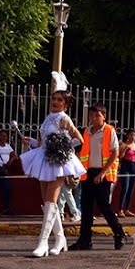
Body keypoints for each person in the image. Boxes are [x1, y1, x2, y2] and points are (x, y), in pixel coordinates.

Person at [20, 75, 87, 257]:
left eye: (59, 100)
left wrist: (62, 148)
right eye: (54, 99)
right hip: (44, 159)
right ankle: (60, 238)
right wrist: (32, 141)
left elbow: (79, 140)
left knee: (51, 201)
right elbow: (43, 143)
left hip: (58, 162)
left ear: (65, 104)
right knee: (47, 203)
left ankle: (42, 244)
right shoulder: (48, 118)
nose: (55, 102)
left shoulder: (64, 119)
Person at [67, 104, 128, 250]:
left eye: (97, 116)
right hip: (88, 173)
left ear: (104, 116)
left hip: (103, 173)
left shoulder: (109, 130)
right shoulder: (87, 132)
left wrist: (102, 173)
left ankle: (119, 233)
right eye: (91, 116)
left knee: (104, 206)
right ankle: (85, 239)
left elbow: (115, 153)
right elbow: (81, 151)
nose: (93, 119)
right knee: (86, 207)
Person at [117, 130, 135, 216]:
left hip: (134, 166)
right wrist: (125, 150)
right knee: (125, 188)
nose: (133, 137)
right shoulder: (124, 145)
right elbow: (120, 156)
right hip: (126, 166)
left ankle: (127, 209)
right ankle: (120, 209)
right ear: (127, 136)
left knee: (131, 189)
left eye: (134, 135)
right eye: (131, 135)